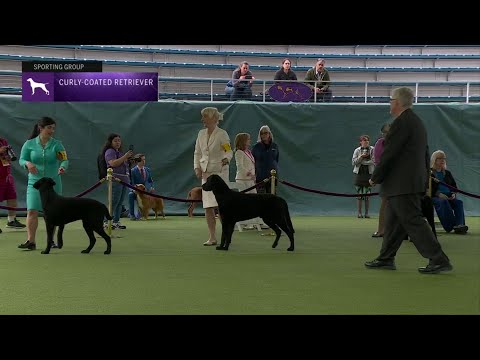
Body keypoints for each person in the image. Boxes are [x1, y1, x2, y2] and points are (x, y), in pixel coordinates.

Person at [365, 87, 452, 274]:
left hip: (401, 184)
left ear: (397, 102)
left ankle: (439, 260)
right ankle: (386, 258)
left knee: (413, 221)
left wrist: (376, 176)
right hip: (409, 183)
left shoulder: (401, 123)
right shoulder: (416, 122)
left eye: (391, 99)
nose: (389, 102)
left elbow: (389, 154)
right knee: (394, 223)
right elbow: (424, 153)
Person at [18, 117, 69, 250]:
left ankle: (50, 241)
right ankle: (31, 241)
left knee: (53, 213)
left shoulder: (57, 144)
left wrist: (63, 167)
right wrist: (27, 163)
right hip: (35, 183)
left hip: (53, 183)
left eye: (53, 128)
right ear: (40, 128)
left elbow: (65, 160)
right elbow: (21, 159)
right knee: (32, 211)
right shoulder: (29, 144)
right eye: (49, 128)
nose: (52, 131)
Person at [193, 107, 233, 246]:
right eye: (202, 116)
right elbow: (197, 152)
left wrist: (227, 159)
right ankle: (212, 237)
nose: (202, 119)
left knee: (222, 207)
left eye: (204, 116)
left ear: (213, 119)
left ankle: (226, 236)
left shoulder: (222, 134)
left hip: (220, 173)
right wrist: (197, 167)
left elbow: (228, 150)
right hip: (206, 173)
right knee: (208, 207)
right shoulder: (200, 134)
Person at [100, 133, 133, 230]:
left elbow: (123, 165)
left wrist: (129, 161)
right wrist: (125, 156)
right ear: (110, 142)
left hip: (123, 180)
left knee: (120, 202)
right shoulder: (110, 151)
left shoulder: (120, 152)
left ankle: (116, 222)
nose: (118, 142)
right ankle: (105, 221)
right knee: (113, 201)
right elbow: (113, 163)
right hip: (115, 180)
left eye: (119, 140)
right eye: (115, 140)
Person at [430, 150, 468, 234]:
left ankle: (460, 225)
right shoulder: (429, 173)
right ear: (434, 160)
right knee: (443, 202)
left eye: (444, 158)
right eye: (440, 158)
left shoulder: (447, 173)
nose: (442, 160)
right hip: (435, 196)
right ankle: (451, 226)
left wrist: (453, 194)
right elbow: (426, 188)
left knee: (459, 202)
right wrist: (438, 194)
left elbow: (454, 187)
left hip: (449, 195)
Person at [0, 137, 26, 232]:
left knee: (12, 197)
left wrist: (8, 155)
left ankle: (11, 221)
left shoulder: (3, 141)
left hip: (6, 175)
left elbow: (5, 159)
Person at [371, 123, 391, 236]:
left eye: (388, 132)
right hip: (386, 178)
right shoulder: (380, 143)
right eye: (385, 133)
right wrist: (376, 178)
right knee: (385, 203)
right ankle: (381, 230)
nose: (386, 135)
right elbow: (378, 163)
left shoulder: (398, 143)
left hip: (400, 177)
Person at [252, 125, 279, 194]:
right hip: (260, 177)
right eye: (262, 133)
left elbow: (276, 159)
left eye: (266, 133)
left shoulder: (275, 146)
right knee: (261, 199)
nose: (264, 135)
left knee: (272, 198)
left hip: (272, 177)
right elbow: (252, 161)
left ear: (269, 134)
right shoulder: (256, 147)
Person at [352, 135, 374, 218]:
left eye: (367, 140)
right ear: (360, 142)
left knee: (367, 195)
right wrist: (361, 157)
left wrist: (363, 162)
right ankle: (359, 213)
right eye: (364, 140)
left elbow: (374, 161)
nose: (366, 142)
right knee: (359, 195)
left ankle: (367, 213)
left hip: (369, 175)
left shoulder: (373, 149)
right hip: (359, 175)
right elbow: (354, 163)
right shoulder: (357, 150)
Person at [128, 153, 155, 220]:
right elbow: (131, 183)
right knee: (130, 194)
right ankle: (131, 214)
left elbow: (150, 181)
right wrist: (133, 190)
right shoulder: (133, 171)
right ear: (137, 161)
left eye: (144, 159)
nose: (143, 161)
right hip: (137, 191)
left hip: (147, 191)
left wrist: (152, 187)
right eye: (141, 160)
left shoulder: (148, 169)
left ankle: (141, 214)